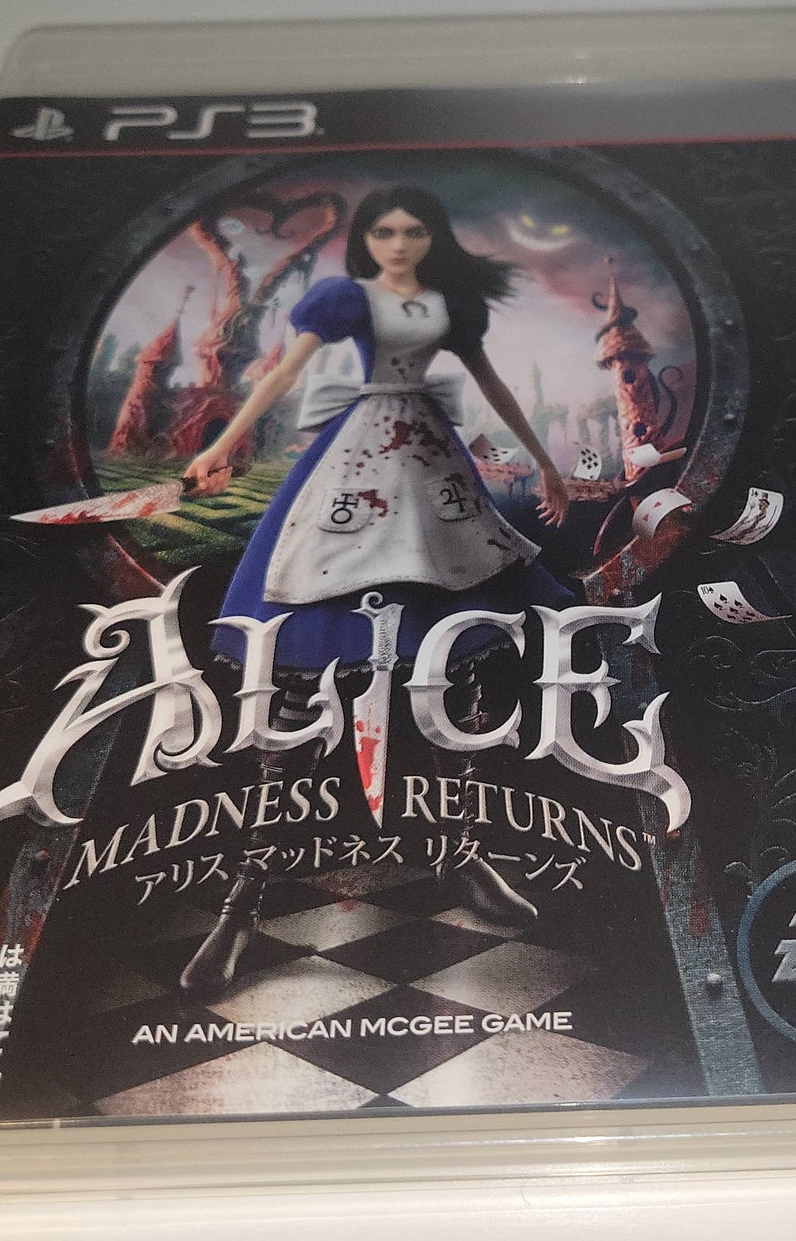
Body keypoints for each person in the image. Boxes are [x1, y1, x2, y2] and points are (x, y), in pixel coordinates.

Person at [176, 186, 572, 996]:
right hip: (355, 464)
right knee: (296, 673)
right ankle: (244, 899)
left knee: (452, 665)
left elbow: (493, 384)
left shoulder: (451, 307)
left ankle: (465, 855)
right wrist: (221, 446)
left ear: (433, 237)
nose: (399, 243)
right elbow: (284, 373)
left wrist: (545, 462)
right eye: (385, 231)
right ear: (367, 238)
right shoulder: (346, 299)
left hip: (430, 473)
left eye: (414, 230)